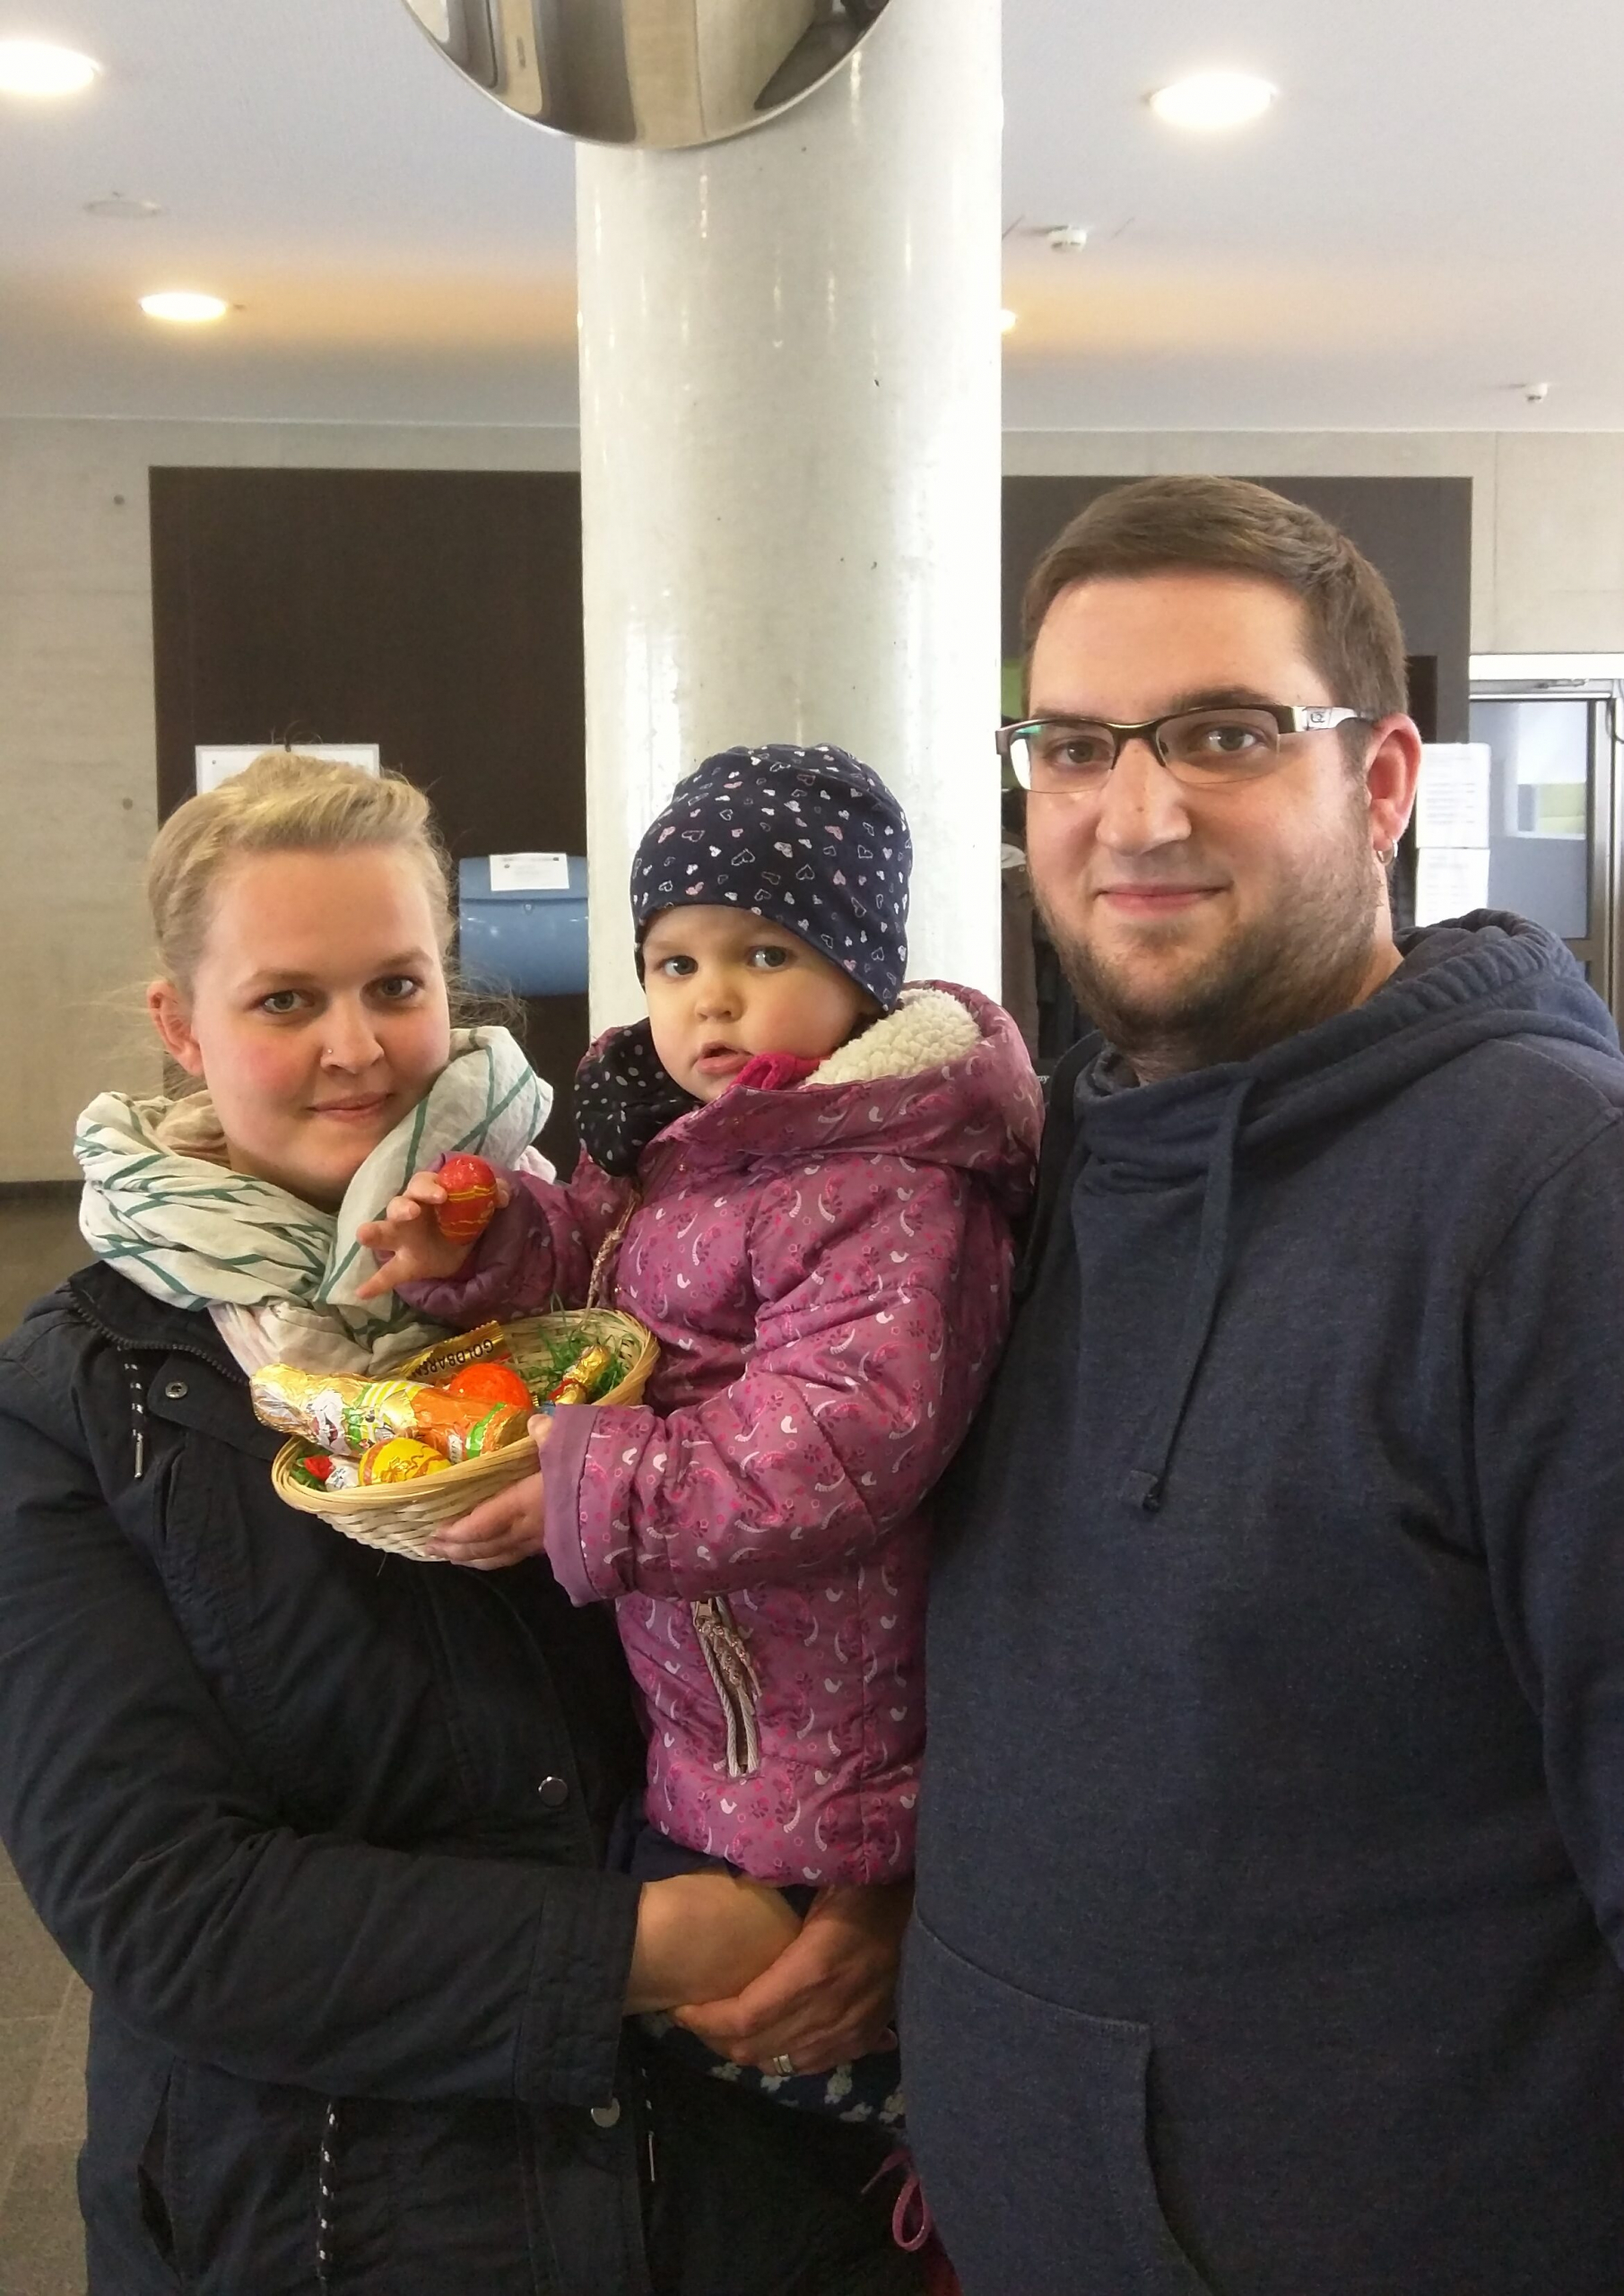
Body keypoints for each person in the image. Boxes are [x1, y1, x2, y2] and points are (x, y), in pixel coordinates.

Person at [0, 751, 925, 2296]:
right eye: (285, 1001)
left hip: (741, 2167)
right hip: (334, 2207)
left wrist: (877, 1888)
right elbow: (166, 1911)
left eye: (397, 986)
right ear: (182, 1024)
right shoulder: (91, 1395)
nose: (357, 1052)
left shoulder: (609, 1262)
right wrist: (647, 1948)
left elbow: (858, 1589)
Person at [902, 476, 1624, 2296]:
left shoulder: (1551, 1196)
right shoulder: (1045, 1164)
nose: (1135, 809)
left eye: (1224, 732)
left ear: (1381, 780)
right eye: (1072, 745)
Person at [358, 743, 1040, 2126]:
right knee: (719, 2048)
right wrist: (489, 1250)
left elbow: (841, 1440)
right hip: (711, 1709)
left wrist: (586, 1492)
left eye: (764, 951)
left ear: (863, 975)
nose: (711, 997)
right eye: (673, 962)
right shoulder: (689, 1137)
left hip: (828, 1740)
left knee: (811, 2069)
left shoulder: (885, 1180)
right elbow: (614, 1287)